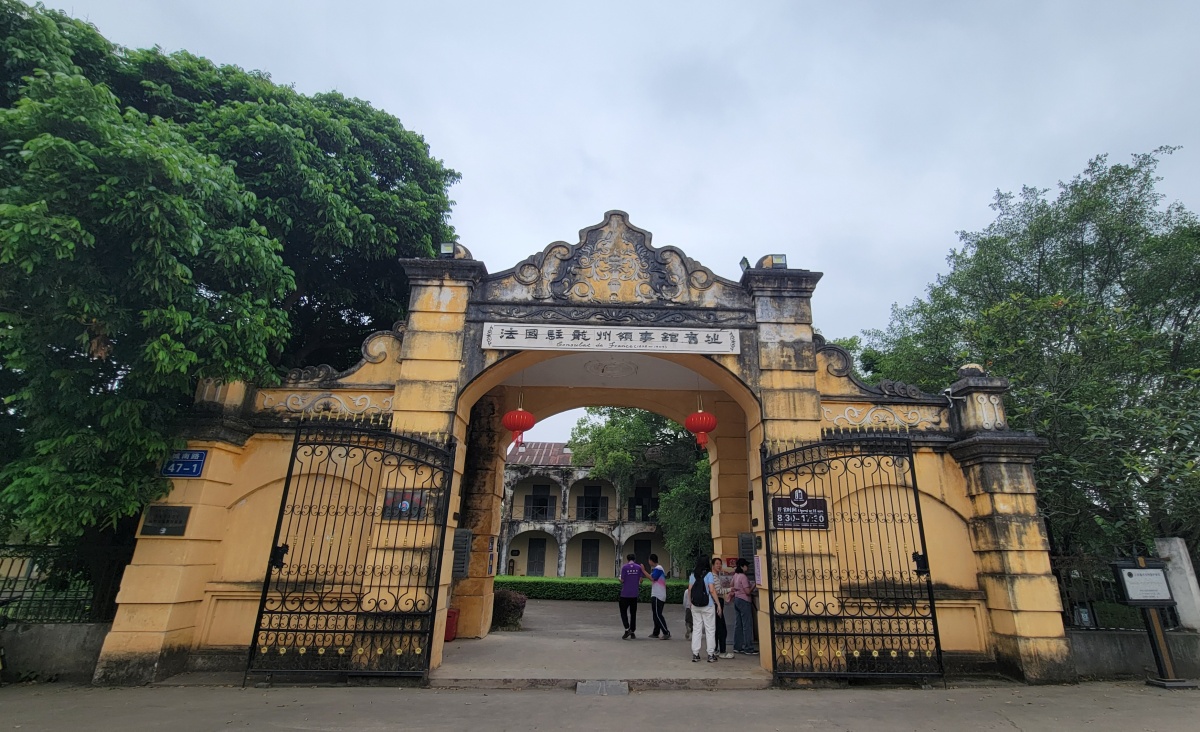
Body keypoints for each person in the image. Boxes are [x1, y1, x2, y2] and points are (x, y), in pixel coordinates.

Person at [687, 556, 721, 662]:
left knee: (697, 629)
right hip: (708, 605)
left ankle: (695, 654)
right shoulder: (709, 574)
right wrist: (718, 604)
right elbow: (712, 590)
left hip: (695, 605)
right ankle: (710, 654)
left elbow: (689, 589)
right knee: (710, 630)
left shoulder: (693, 574)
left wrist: (690, 603)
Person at [618, 553, 649, 639]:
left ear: (627, 559)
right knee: (633, 613)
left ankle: (627, 628)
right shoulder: (638, 567)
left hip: (625, 594)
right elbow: (641, 580)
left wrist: (619, 579)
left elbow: (622, 580)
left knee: (623, 612)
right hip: (634, 594)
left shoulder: (624, 567)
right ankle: (632, 631)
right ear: (634, 559)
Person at [731, 557, 757, 654]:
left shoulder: (736, 575)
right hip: (744, 601)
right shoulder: (743, 577)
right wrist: (754, 585)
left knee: (738, 624)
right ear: (742, 566)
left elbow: (731, 584)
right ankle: (748, 647)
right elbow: (747, 592)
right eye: (746, 566)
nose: (748, 568)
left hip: (737, 599)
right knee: (747, 624)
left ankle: (737, 646)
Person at [711, 557, 734, 659]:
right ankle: (722, 651)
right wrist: (730, 589)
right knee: (722, 628)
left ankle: (715, 649)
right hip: (717, 602)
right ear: (712, 565)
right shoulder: (713, 576)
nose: (719, 565)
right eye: (717, 564)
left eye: (720, 564)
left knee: (716, 627)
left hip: (716, 603)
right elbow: (718, 591)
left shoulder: (715, 576)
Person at [647, 554, 670, 639]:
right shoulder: (656, 569)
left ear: (651, 560)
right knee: (655, 614)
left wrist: (643, 571)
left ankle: (666, 632)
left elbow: (652, 578)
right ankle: (656, 632)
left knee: (657, 614)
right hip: (656, 594)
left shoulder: (658, 568)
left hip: (658, 595)